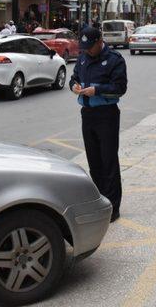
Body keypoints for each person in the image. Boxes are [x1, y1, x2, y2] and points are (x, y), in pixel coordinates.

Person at [69, 27, 128, 223]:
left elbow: (120, 88)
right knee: (94, 161)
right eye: (84, 48)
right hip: (87, 114)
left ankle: (113, 207)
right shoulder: (83, 57)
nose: (87, 51)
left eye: (90, 47)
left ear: (100, 41)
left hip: (107, 115)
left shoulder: (114, 59)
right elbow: (74, 77)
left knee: (108, 161)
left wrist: (98, 90)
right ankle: (100, 202)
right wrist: (74, 86)